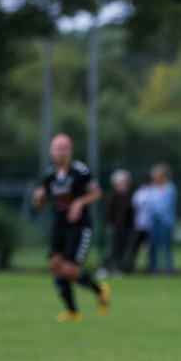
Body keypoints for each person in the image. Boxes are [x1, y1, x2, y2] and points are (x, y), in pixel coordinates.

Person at [31, 133, 110, 321]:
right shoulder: (49, 175)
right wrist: (39, 199)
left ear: (70, 151)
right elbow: (39, 204)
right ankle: (73, 311)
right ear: (51, 151)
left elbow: (97, 193)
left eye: (63, 148)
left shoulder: (80, 171)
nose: (60, 152)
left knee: (69, 269)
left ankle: (100, 289)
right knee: (55, 265)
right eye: (57, 148)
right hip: (59, 225)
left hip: (79, 226)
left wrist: (79, 203)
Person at [101, 169, 135, 276]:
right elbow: (108, 213)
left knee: (124, 250)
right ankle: (105, 267)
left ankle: (120, 269)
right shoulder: (113, 197)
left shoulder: (132, 197)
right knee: (114, 249)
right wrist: (110, 224)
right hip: (116, 228)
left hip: (128, 228)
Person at [144, 163, 177, 274]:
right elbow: (147, 203)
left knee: (166, 246)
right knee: (152, 246)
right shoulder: (151, 188)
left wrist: (156, 210)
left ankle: (168, 269)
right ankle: (153, 269)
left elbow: (166, 205)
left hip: (165, 221)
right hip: (153, 221)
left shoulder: (170, 188)